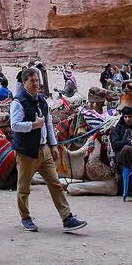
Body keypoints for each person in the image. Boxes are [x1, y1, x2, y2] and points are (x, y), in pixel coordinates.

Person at [10, 67, 87, 234]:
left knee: (56, 184)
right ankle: (26, 218)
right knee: (24, 188)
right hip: (27, 152)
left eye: (37, 80)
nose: (36, 83)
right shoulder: (18, 102)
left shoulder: (41, 101)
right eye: (32, 81)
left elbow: (49, 123)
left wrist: (53, 145)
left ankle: (67, 218)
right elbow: (14, 125)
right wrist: (33, 125)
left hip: (44, 150)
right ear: (24, 83)